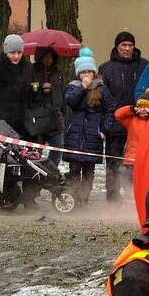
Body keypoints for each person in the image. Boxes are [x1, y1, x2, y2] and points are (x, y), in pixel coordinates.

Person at [64, 50, 117, 208]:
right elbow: (70, 101)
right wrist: (83, 87)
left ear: (94, 72)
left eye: (89, 71)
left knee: (88, 171)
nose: (87, 75)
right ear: (78, 73)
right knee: (74, 169)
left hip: (93, 135)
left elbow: (110, 110)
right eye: (83, 72)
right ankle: (74, 200)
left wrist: (104, 130)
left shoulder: (101, 88)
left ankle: (84, 201)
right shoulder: (73, 87)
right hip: (75, 134)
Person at [101, 31, 148, 204]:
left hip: (140, 124)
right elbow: (102, 98)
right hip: (116, 123)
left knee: (138, 165)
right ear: (117, 47)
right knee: (112, 164)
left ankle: (137, 198)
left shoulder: (144, 66)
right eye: (123, 45)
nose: (127, 49)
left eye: (130, 45)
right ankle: (113, 200)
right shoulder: (106, 68)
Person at [0, 35, 34, 138]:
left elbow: (30, 90)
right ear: (6, 52)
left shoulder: (27, 66)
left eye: (19, 52)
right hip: (4, 117)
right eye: (12, 53)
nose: (16, 56)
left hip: (24, 118)